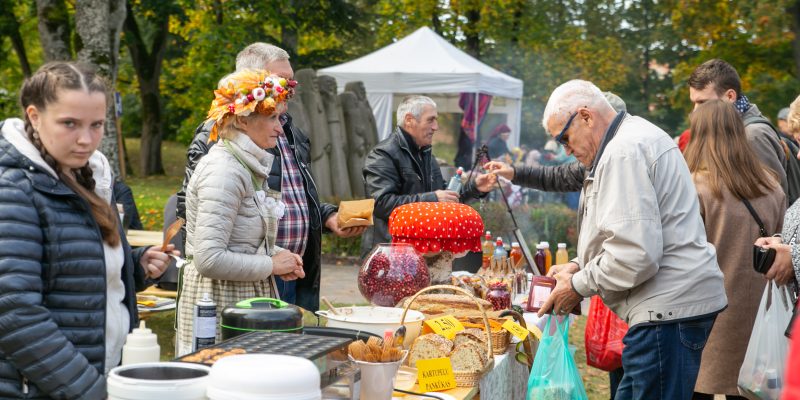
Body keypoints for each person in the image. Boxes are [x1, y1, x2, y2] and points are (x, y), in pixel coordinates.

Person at [488, 79, 727, 400]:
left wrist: (576, 286)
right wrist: (578, 265)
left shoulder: (622, 152)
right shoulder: (632, 137)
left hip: (666, 311)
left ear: (585, 116)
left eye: (564, 138)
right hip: (670, 308)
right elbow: (629, 234)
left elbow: (635, 255)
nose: (565, 150)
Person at [0, 61, 174, 398]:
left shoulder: (88, 175)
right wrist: (92, 391)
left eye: (96, 125)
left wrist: (133, 266)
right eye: (70, 123)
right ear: (34, 116)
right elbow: (14, 312)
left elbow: (71, 271)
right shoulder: (13, 189)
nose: (86, 139)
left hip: (98, 375)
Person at [177, 43, 363, 312]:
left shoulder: (287, 131)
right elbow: (206, 226)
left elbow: (295, 195)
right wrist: (268, 261)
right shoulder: (221, 143)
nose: (290, 88)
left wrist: (325, 216)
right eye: (282, 80)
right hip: (237, 281)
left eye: (292, 80)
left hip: (281, 265)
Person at [176, 69, 306, 355]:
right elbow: (209, 259)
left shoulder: (245, 164)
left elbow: (239, 240)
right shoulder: (224, 171)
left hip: (239, 297)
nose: (280, 128)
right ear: (243, 120)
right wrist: (272, 265)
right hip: (217, 302)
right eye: (272, 118)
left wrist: (279, 255)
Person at [683, 100, 785, 400]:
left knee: (696, 389)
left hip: (706, 316)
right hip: (761, 318)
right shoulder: (770, 185)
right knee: (748, 389)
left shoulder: (694, 187)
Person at [361, 95, 493, 255]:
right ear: (409, 120)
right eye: (430, 120)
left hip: (425, 252)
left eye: (436, 120)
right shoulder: (382, 155)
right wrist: (433, 198)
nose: (436, 127)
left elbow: (447, 200)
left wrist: (475, 188)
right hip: (389, 254)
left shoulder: (427, 155)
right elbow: (381, 204)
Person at [688, 59, 797, 204]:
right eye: (694, 102)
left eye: (702, 102)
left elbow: (775, 200)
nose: (695, 110)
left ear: (730, 96)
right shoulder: (734, 131)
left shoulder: (752, 135)